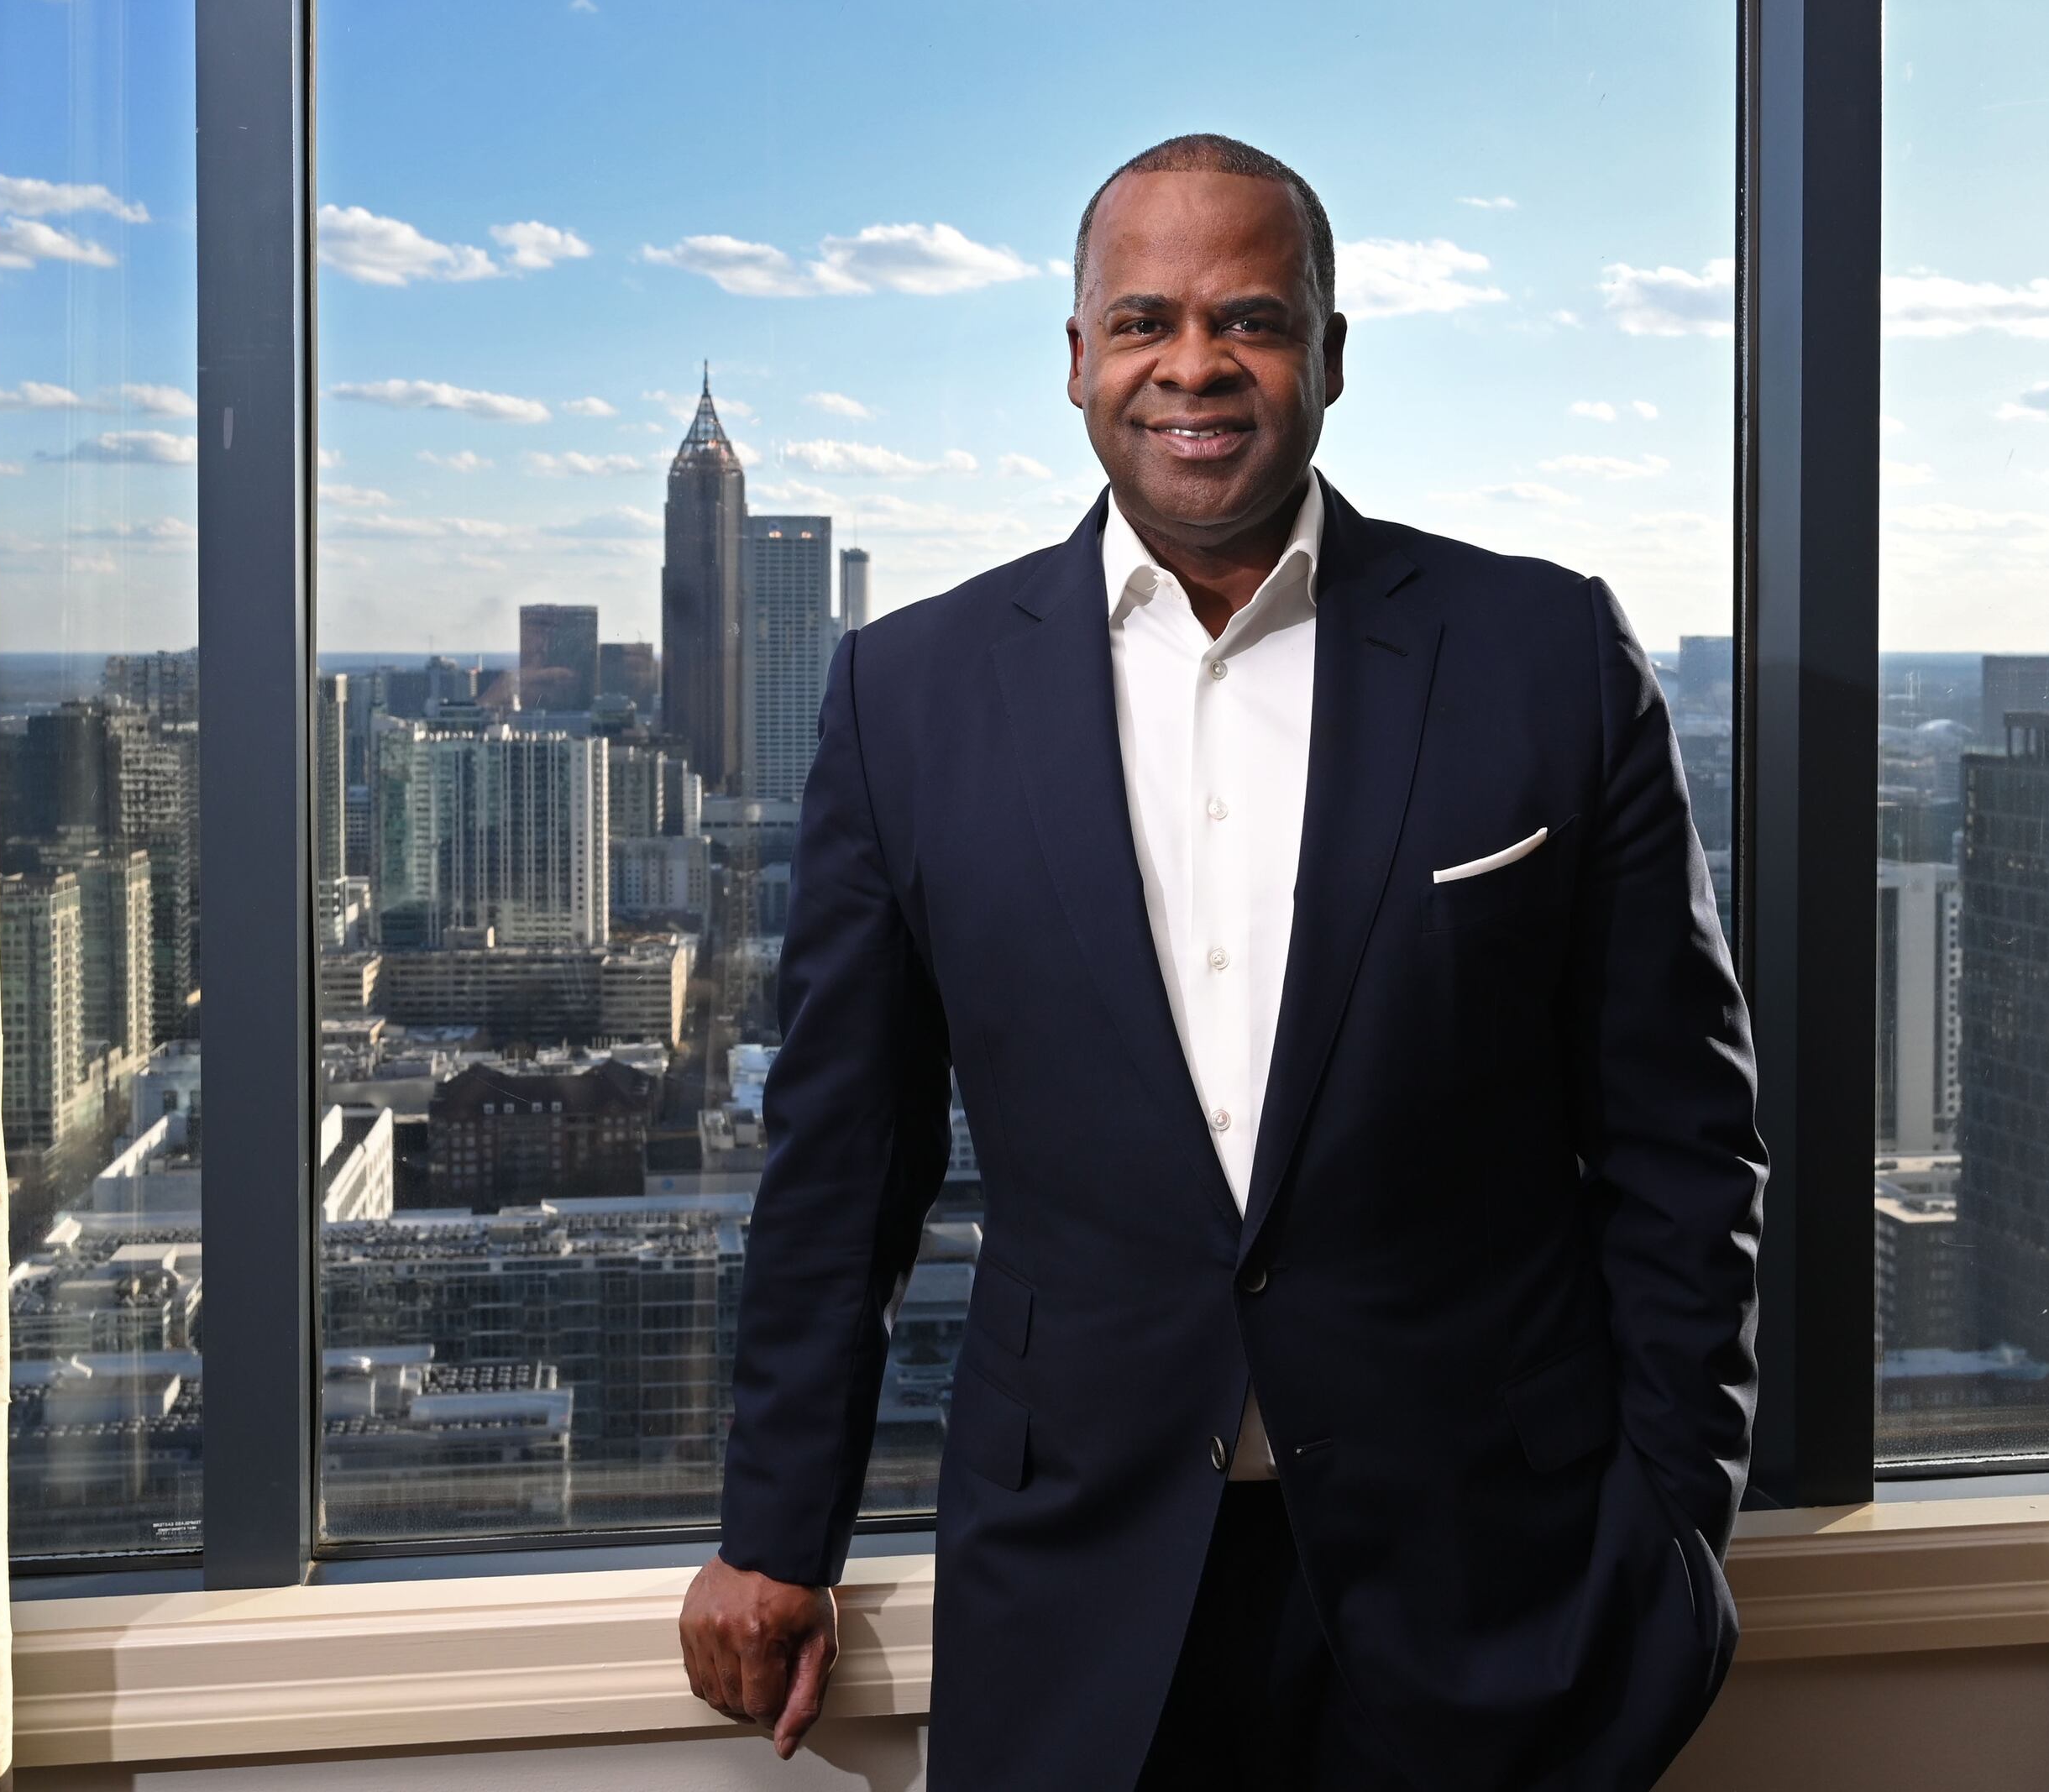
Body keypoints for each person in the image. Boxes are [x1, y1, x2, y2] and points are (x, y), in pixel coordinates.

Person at [677, 134, 1766, 1790]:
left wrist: (1674, 1523)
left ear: (1330, 355)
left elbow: (1683, 1138)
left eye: (1252, 319)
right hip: (1079, 1576)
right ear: (1078, 361)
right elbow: (844, 1157)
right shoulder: (910, 695)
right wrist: (776, 1525)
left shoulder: (1544, 654)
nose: (1195, 364)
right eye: (1146, 320)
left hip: (1497, 1577)